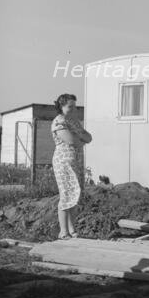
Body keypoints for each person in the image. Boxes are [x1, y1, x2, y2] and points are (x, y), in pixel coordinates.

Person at [50, 94, 92, 239]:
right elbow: (71, 140)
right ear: (61, 107)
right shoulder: (58, 122)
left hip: (77, 162)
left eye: (75, 106)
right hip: (64, 163)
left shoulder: (73, 121)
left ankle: (72, 229)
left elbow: (89, 137)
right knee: (67, 194)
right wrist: (80, 138)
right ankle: (63, 231)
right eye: (70, 106)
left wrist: (80, 138)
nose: (74, 109)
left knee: (75, 194)